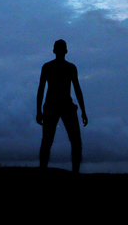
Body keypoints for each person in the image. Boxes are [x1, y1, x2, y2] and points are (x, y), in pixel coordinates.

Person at [36, 40, 87, 173]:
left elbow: (77, 89)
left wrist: (38, 111)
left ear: (54, 51)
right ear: (65, 51)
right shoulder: (67, 67)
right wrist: (83, 111)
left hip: (58, 106)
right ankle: (74, 171)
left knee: (49, 141)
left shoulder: (51, 67)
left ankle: (45, 170)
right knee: (73, 142)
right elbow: (77, 90)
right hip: (59, 106)